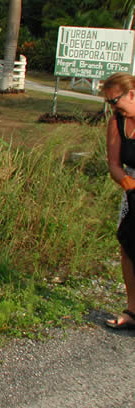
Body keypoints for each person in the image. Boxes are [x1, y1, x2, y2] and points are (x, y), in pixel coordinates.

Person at [103, 72, 135, 330]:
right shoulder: (117, 123)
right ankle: (132, 310)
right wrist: (128, 184)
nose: (112, 107)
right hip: (132, 190)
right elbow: (114, 164)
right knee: (128, 246)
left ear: (132, 94)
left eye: (114, 101)